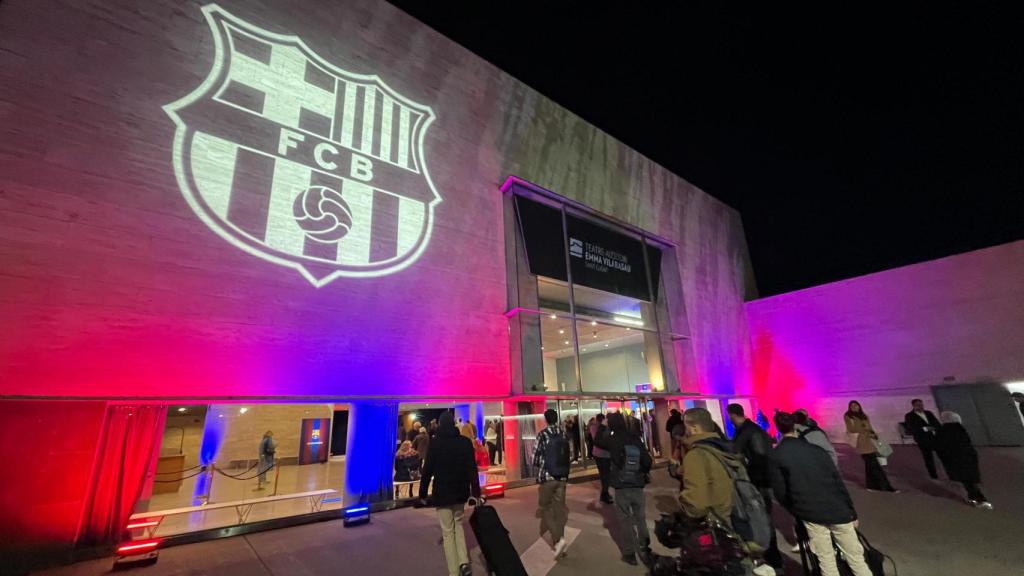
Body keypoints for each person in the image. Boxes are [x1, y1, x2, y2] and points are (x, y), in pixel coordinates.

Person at [770, 412, 873, 576]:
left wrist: (796, 509)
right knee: (855, 557)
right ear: (795, 426)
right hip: (838, 509)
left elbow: (780, 491)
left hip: (810, 511)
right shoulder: (816, 450)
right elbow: (837, 481)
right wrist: (851, 511)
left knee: (825, 558)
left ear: (777, 428)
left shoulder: (777, 455)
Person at [418, 412, 480, 576]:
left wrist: (422, 493)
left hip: (443, 493)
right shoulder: (465, 443)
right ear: (453, 424)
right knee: (458, 524)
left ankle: (454, 571)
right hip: (460, 492)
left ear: (439, 425)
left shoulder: (436, 444)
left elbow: (427, 471)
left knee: (447, 531)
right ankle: (464, 563)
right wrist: (476, 492)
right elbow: (472, 469)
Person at [727, 404, 782, 569]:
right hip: (763, 479)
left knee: (761, 520)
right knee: (763, 519)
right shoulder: (753, 429)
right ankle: (772, 559)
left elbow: (739, 453)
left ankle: (771, 559)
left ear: (731, 415)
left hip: (758, 481)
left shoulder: (747, 431)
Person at [678, 407, 744, 522]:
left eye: (686, 426)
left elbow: (696, 503)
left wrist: (684, 504)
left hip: (718, 521)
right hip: (738, 514)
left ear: (694, 428)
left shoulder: (696, 455)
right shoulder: (726, 447)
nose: (685, 431)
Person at [606, 412, 654, 565]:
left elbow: (615, 461)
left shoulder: (613, 440)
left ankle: (629, 554)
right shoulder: (635, 438)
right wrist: (640, 471)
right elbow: (647, 460)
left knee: (625, 519)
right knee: (640, 518)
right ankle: (645, 549)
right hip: (637, 483)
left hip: (622, 485)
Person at [533, 409, 571, 559]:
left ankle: (557, 540)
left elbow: (535, 459)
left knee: (546, 508)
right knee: (560, 511)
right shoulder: (563, 434)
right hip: (562, 478)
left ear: (546, 419)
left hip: (547, 478)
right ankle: (560, 539)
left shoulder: (542, 435)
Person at [936, 411, 992, 509]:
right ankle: (977, 498)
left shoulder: (943, 430)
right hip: (967, 456)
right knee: (969, 478)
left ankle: (979, 499)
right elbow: (967, 442)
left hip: (955, 458)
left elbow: (941, 446)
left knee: (966, 479)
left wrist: (944, 458)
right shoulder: (959, 428)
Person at [844, 401, 896, 492]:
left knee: (870, 465)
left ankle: (871, 486)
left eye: (856, 405)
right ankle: (886, 486)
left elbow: (870, 427)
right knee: (874, 465)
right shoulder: (848, 416)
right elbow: (851, 429)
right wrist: (864, 429)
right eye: (852, 406)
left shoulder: (864, 415)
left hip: (870, 441)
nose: (854, 407)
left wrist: (874, 435)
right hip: (861, 442)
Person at [903, 399, 943, 479]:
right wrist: (925, 429)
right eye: (918, 405)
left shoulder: (928, 413)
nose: (921, 406)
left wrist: (935, 428)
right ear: (914, 406)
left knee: (942, 455)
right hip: (923, 439)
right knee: (928, 457)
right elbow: (911, 428)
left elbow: (936, 423)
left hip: (934, 437)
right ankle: (933, 475)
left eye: (921, 404)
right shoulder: (909, 416)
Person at [590, 413, 614, 503]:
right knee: (606, 475)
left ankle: (605, 493)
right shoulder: (604, 428)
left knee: (603, 474)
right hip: (604, 454)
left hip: (597, 453)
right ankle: (604, 494)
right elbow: (604, 440)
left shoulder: (593, 427)